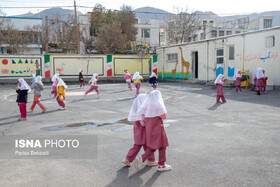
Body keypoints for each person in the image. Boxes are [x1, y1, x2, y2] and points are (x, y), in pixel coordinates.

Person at [133, 90, 172, 172]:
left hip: (149, 131)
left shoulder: (146, 109)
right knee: (162, 147)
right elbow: (164, 116)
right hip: (158, 130)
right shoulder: (158, 107)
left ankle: (142, 158)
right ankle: (162, 165)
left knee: (152, 147)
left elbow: (143, 121)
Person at [122, 94, 158, 167]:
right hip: (143, 130)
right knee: (145, 145)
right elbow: (144, 123)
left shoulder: (137, 110)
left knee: (139, 144)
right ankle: (150, 160)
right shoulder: (143, 112)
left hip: (137, 129)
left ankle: (128, 158)